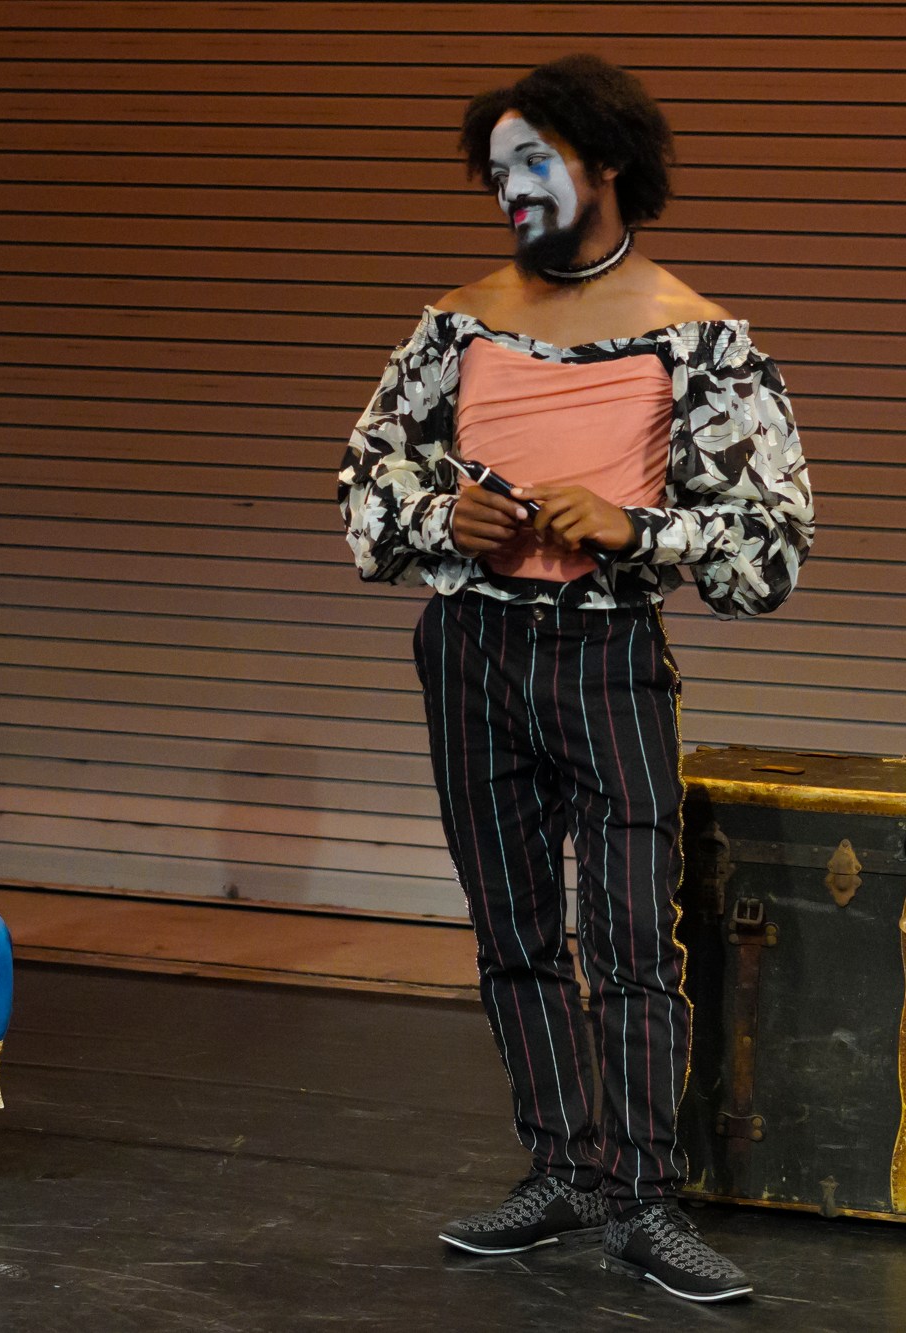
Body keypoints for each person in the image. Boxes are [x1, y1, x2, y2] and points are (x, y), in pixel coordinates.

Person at [337, 55, 812, 1304]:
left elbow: (771, 543)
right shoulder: (456, 323)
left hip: (604, 656)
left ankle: (645, 1200)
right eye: (494, 173)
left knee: (629, 937)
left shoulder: (695, 334)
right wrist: (447, 517)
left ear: (603, 163)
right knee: (510, 934)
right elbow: (361, 484)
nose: (510, 193)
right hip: (470, 652)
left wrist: (633, 526)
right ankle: (560, 1167)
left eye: (532, 163)